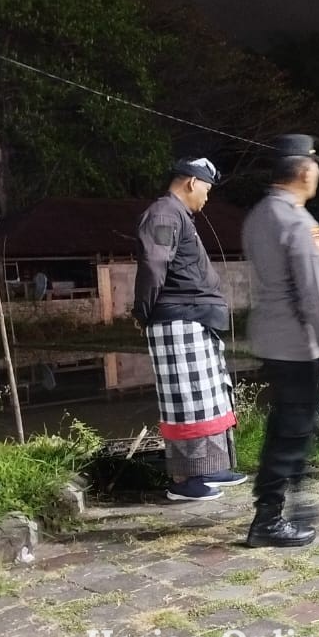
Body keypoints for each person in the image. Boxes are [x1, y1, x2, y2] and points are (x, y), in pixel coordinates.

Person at [242, 134, 319, 548]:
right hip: (295, 343)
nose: (317, 173)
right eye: (315, 166)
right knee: (291, 430)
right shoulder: (298, 223)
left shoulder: (258, 215)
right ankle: (267, 519)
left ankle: (294, 502)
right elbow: (314, 294)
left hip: (268, 338)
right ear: (304, 171)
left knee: (289, 425)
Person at [133, 157, 247, 502]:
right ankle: (185, 481)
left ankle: (209, 468)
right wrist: (143, 311)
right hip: (176, 321)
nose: (207, 197)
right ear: (191, 182)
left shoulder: (179, 215)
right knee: (186, 401)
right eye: (206, 190)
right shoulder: (163, 214)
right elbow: (153, 265)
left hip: (195, 320)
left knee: (208, 399)